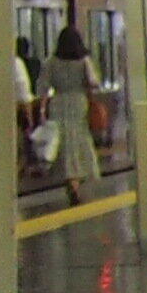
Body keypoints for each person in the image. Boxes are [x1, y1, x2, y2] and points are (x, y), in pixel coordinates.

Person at [46, 17, 100, 187]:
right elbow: (94, 82)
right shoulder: (84, 61)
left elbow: (42, 86)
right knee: (79, 138)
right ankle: (77, 176)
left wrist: (41, 110)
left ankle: (69, 177)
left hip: (59, 102)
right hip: (78, 102)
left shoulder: (51, 62)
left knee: (63, 141)